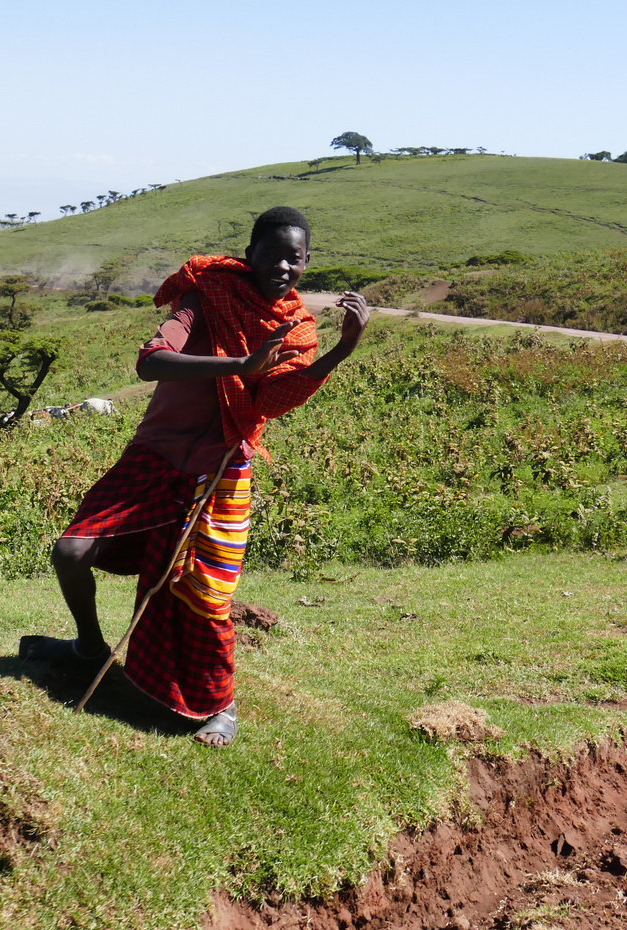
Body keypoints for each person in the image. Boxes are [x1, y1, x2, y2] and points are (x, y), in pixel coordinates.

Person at [21, 206, 371, 747]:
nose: (282, 266)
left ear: (306, 263)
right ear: (249, 252)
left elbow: (271, 400)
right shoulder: (205, 294)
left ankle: (220, 704)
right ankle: (89, 647)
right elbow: (152, 361)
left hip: (221, 468)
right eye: (272, 253)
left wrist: (342, 349)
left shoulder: (297, 328)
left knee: (205, 594)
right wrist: (239, 365)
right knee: (70, 552)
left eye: (294, 258)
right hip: (155, 454)